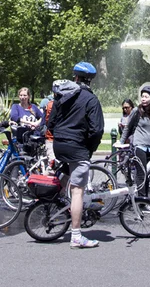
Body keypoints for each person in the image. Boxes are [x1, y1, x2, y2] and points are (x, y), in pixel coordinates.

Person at [48, 62, 104, 248]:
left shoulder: (62, 95)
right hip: (78, 147)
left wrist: (60, 137)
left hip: (60, 145)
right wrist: (90, 148)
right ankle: (76, 236)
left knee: (66, 173)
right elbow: (96, 130)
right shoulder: (91, 100)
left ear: (76, 78)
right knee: (78, 191)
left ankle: (52, 202)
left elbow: (51, 122)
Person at [121, 85, 150, 197]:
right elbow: (128, 127)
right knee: (142, 174)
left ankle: (141, 196)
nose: (143, 99)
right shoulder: (137, 111)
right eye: (142, 96)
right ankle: (142, 201)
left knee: (149, 171)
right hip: (139, 146)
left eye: (146, 97)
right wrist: (121, 142)